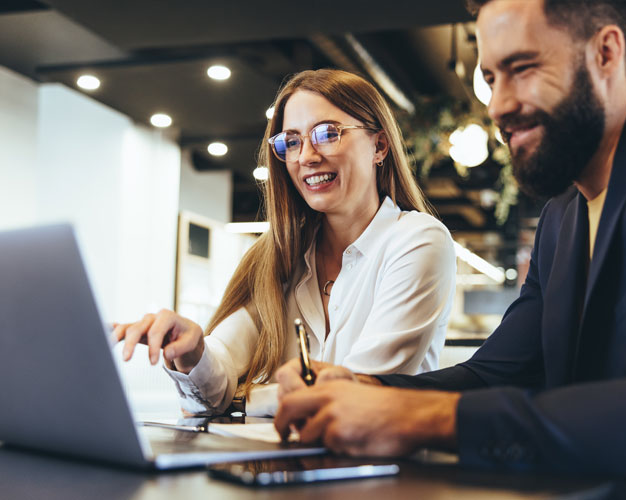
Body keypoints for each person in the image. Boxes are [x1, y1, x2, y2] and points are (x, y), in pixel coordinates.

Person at [273, 1, 626, 497]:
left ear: (607, 52)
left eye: (521, 68)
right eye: (489, 78)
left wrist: (416, 419)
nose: (499, 105)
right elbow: (498, 373)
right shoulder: (562, 216)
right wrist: (363, 386)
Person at [114, 69, 456, 416]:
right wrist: (193, 352)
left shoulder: (418, 241)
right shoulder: (281, 257)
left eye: (327, 133)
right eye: (291, 141)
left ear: (379, 146)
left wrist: (243, 399)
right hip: (286, 466)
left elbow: (357, 394)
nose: (306, 156)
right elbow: (218, 373)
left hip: (385, 467)